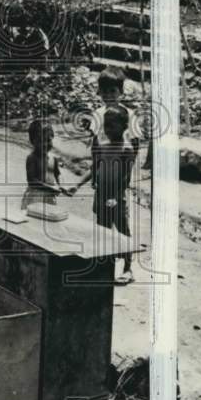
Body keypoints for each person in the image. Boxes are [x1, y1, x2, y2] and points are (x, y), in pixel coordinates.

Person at [73, 106, 137, 284]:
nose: (109, 130)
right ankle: (104, 267)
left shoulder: (126, 149)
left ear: (124, 127)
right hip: (101, 195)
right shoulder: (103, 147)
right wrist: (76, 185)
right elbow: (94, 168)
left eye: (113, 126)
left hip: (116, 196)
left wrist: (115, 197)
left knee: (122, 231)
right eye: (106, 126)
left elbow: (125, 178)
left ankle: (127, 268)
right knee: (102, 230)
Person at [21, 118, 62, 210]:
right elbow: (32, 181)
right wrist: (51, 189)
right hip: (35, 197)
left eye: (48, 140)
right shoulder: (32, 158)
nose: (45, 144)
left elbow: (57, 174)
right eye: (41, 141)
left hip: (50, 197)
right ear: (33, 141)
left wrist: (60, 186)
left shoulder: (53, 158)